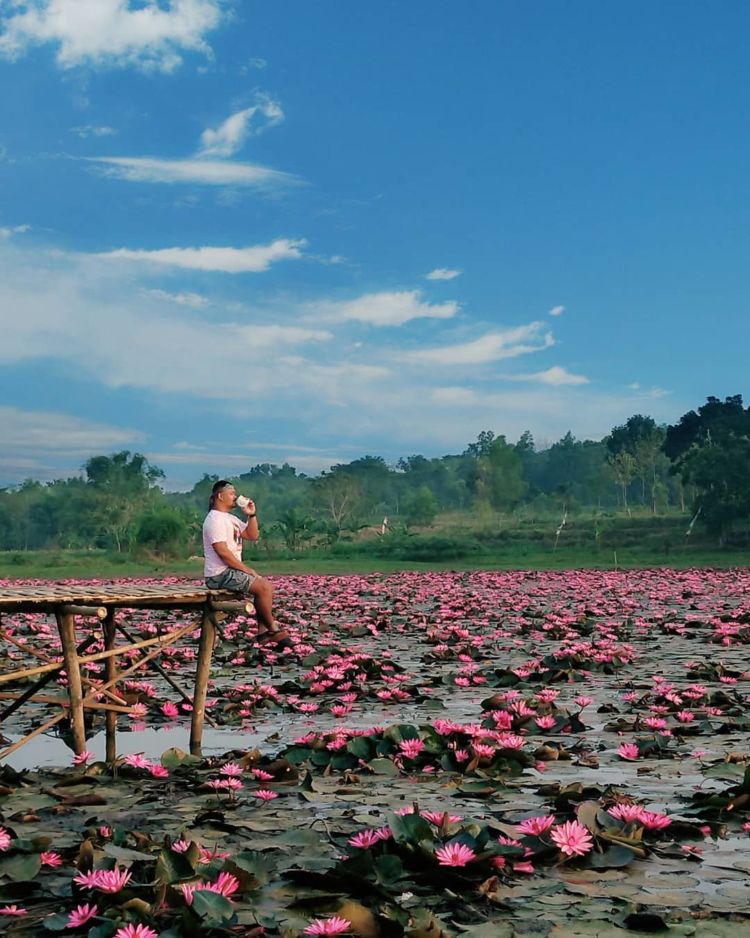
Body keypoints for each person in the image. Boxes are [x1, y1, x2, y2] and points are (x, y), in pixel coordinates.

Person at [202, 480, 287, 643]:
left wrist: (251, 515)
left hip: (230, 571)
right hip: (219, 574)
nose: (236, 496)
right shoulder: (214, 520)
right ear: (220, 496)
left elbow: (252, 535)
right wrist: (246, 569)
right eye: (232, 493)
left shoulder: (230, 518)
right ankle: (273, 629)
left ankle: (263, 632)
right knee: (263, 587)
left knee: (264, 587)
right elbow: (222, 552)